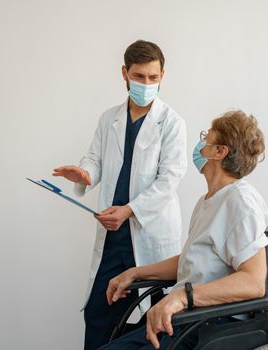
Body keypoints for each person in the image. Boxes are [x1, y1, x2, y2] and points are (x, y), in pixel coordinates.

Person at [52, 40, 187, 350]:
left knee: (154, 321)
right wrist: (85, 175)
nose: (146, 84)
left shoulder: (172, 123)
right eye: (139, 76)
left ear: (162, 75)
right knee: (100, 314)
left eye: (153, 77)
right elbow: (94, 160)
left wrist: (129, 210)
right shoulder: (108, 118)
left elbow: (170, 179)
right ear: (124, 73)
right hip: (114, 238)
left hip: (151, 235)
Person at [99, 110, 268, 350]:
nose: (200, 144)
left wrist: (181, 297)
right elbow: (191, 261)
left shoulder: (240, 201)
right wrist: (136, 272)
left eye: (206, 138)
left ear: (220, 152)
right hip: (184, 320)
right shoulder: (207, 201)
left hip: (209, 326)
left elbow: (253, 282)